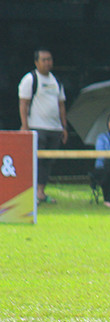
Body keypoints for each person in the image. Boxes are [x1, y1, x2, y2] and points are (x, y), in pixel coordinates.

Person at [18, 49, 67, 205]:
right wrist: (25, 126)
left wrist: (64, 127)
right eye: (44, 59)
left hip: (54, 128)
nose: (47, 63)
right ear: (36, 62)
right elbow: (23, 103)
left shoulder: (56, 81)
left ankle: (40, 192)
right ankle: (30, 193)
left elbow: (61, 106)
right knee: (34, 160)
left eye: (50, 59)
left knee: (48, 162)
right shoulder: (30, 79)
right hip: (36, 127)